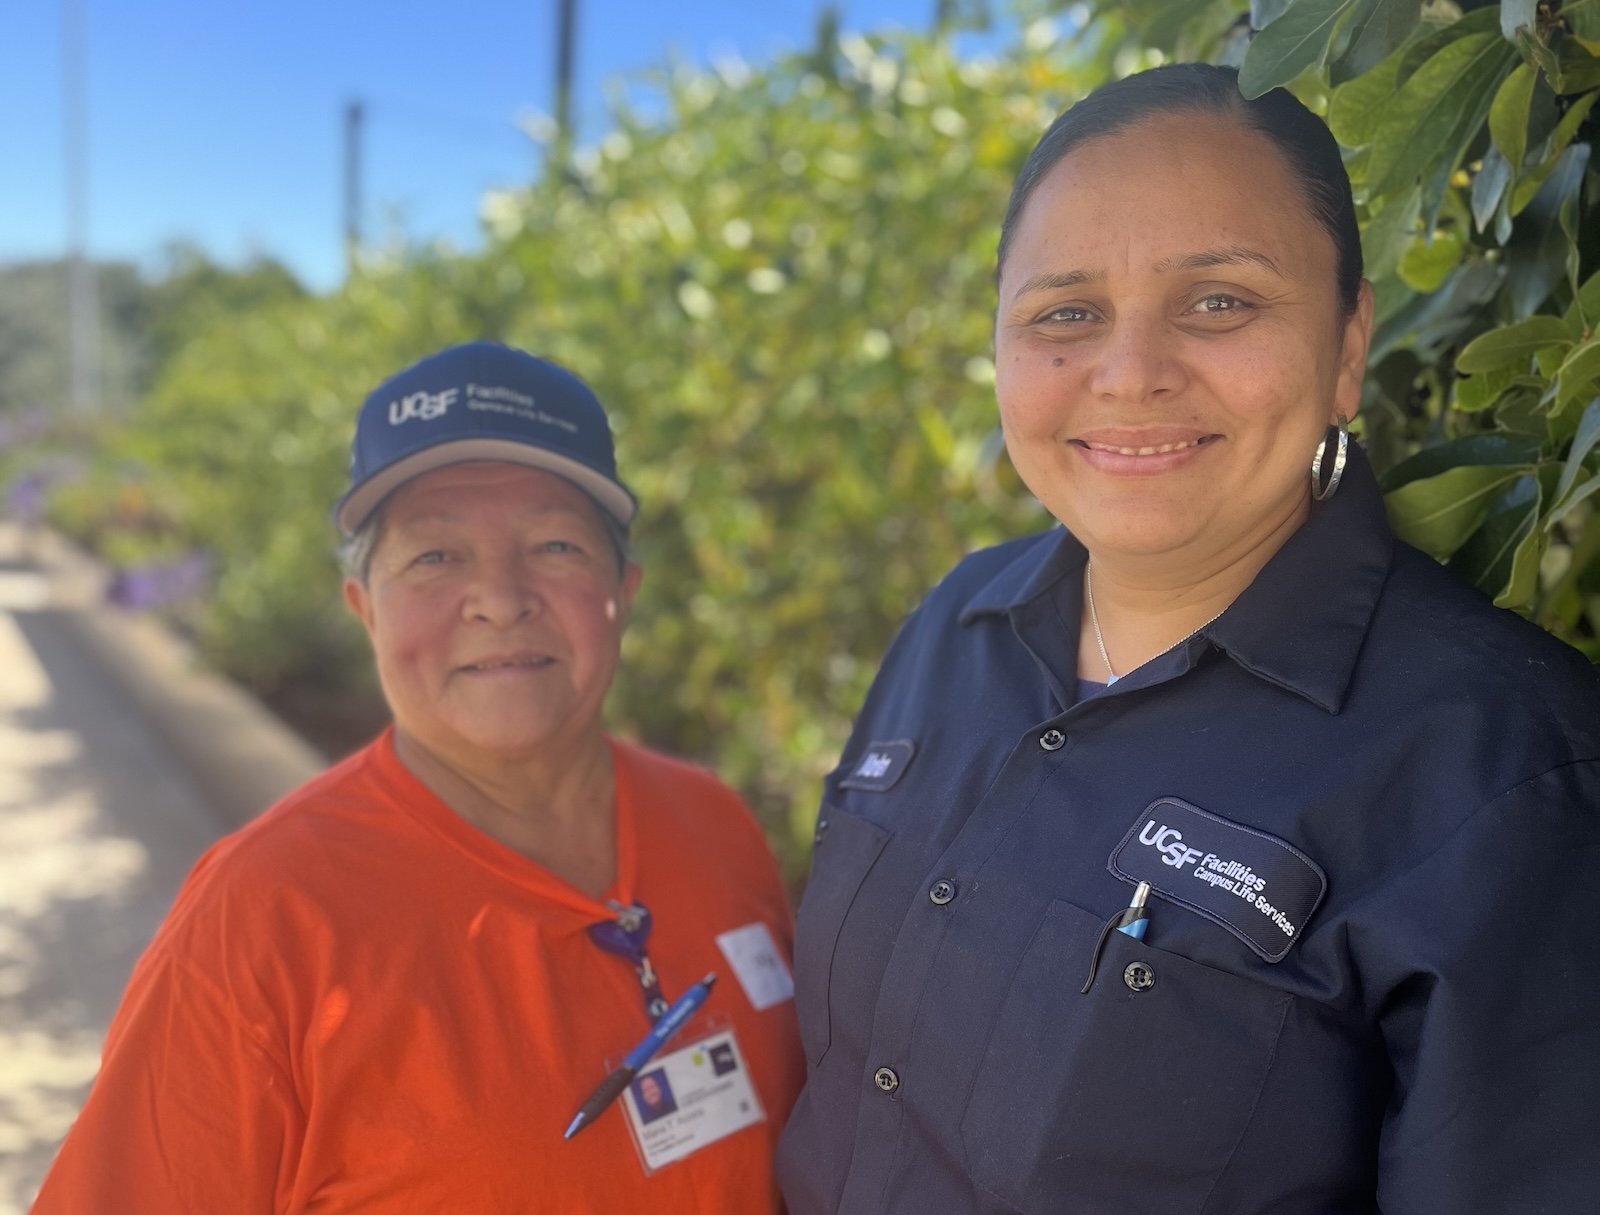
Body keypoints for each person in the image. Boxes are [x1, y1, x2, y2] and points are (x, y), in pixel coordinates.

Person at [776, 64, 1600, 1214]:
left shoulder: (1510, 779)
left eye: (1219, 300)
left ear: (1348, 346)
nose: (1129, 375)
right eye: (1065, 313)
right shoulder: (952, 624)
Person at [36, 343, 805, 1213]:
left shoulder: (713, 824)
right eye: (434, 557)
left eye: (555, 544)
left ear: (620, 590)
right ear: (365, 608)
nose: (500, 597)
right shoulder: (259, 920)